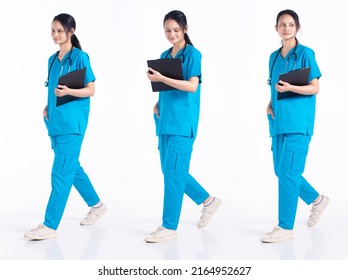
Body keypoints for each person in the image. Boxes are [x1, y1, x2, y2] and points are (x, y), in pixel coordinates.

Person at [24, 13, 107, 240]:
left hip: (73, 124)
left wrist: (69, 92)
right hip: (55, 122)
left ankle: (50, 225)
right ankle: (97, 205)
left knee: (60, 172)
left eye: (60, 31)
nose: (56, 35)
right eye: (53, 30)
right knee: (72, 168)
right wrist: (47, 107)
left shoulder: (80, 57)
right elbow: (53, 89)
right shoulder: (52, 59)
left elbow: (91, 90)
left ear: (71, 32)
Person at [145, 10, 222, 243]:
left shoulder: (193, 54)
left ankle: (169, 226)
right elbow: (167, 88)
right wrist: (158, 103)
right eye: (168, 30)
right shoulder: (164, 55)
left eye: (176, 30)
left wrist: (161, 78)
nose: (172, 34)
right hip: (165, 121)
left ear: (185, 29)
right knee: (171, 172)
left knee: (173, 175)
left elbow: (191, 86)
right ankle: (208, 201)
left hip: (182, 124)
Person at [262, 9, 329, 243]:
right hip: (278, 121)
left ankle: (285, 227)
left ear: (297, 27)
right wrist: (270, 103)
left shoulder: (306, 54)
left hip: (299, 123)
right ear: (276, 28)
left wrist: (290, 88)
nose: (286, 28)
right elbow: (275, 85)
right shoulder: (273, 57)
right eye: (282, 24)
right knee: (281, 172)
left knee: (289, 173)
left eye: (291, 24)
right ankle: (317, 200)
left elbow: (314, 88)